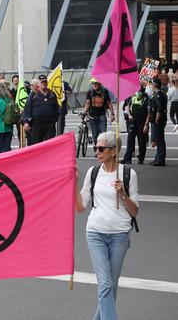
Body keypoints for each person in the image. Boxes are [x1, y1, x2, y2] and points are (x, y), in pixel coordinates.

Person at [76, 131, 139, 320]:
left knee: (110, 286)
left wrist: (123, 195)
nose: (97, 152)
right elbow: (80, 207)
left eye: (101, 148)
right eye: (95, 148)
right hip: (95, 233)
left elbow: (134, 211)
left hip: (120, 235)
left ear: (114, 151)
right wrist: (75, 182)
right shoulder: (93, 172)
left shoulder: (128, 174)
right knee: (104, 285)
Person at [22, 75, 59, 144]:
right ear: (38, 84)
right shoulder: (33, 94)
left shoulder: (52, 94)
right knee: (37, 144)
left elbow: (56, 108)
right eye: (42, 82)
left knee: (50, 144)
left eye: (45, 82)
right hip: (37, 124)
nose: (44, 84)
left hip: (50, 123)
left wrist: (55, 119)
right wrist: (26, 122)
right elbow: (27, 108)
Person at [121, 88, 149, 165]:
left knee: (141, 141)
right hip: (132, 121)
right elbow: (126, 107)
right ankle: (127, 158)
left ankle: (141, 158)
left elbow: (149, 112)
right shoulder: (130, 98)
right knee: (130, 140)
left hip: (142, 122)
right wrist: (127, 116)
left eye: (140, 91)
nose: (138, 93)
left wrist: (146, 124)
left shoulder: (146, 99)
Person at [145, 77, 167, 166]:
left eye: (151, 84)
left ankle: (160, 160)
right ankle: (158, 159)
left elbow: (160, 107)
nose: (150, 85)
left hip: (158, 120)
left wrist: (157, 118)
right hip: (155, 119)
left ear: (154, 85)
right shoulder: (158, 93)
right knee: (158, 140)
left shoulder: (159, 94)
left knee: (159, 140)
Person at [85, 78, 114, 144]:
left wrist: (112, 114)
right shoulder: (90, 92)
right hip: (92, 116)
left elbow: (109, 103)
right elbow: (88, 103)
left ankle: (102, 150)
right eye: (93, 83)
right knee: (95, 135)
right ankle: (97, 150)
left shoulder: (105, 91)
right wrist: (84, 113)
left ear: (99, 84)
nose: (94, 85)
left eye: (96, 83)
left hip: (102, 116)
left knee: (103, 134)